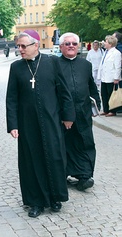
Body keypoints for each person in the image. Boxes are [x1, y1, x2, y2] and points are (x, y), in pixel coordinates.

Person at [6, 29, 75, 218]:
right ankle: (35, 202)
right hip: (27, 125)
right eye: (18, 46)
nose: (19, 49)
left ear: (35, 45)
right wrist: (13, 124)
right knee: (31, 162)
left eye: (23, 46)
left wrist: (68, 116)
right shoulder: (16, 67)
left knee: (54, 157)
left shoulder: (52, 62)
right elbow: (11, 98)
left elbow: (64, 91)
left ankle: (55, 198)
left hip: (51, 120)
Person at [58, 32, 101, 191]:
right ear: (61, 46)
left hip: (83, 113)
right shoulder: (55, 64)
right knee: (64, 143)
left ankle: (85, 175)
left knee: (85, 143)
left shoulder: (85, 65)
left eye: (74, 44)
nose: (71, 46)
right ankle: (63, 174)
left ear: (78, 46)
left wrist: (97, 104)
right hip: (62, 115)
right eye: (67, 44)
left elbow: (91, 87)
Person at [97, 35, 122, 116]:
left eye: (106, 42)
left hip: (111, 77)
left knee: (111, 94)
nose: (104, 43)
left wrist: (116, 78)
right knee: (104, 94)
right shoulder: (105, 52)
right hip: (104, 77)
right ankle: (106, 109)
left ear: (110, 44)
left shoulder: (116, 53)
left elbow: (117, 66)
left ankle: (112, 110)